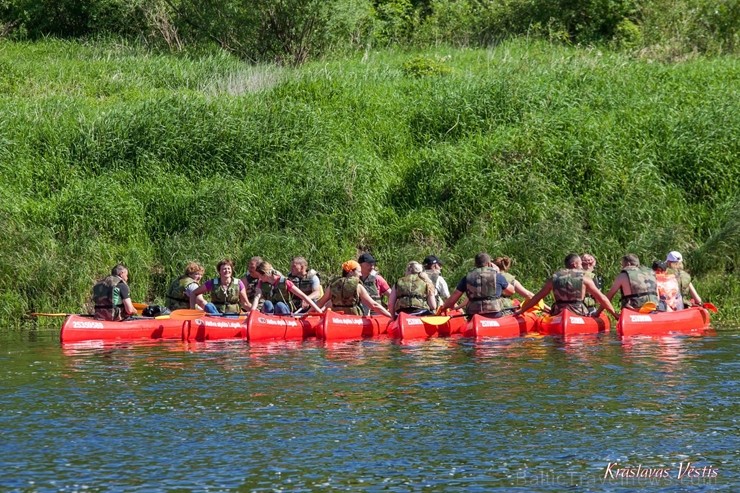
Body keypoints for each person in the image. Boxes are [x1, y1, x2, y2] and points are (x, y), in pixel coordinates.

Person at [517, 253, 618, 318]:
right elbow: (601, 298)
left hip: (558, 313)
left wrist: (522, 311)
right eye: (580, 264)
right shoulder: (584, 278)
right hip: (578, 312)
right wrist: (615, 314)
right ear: (574, 264)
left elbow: (537, 297)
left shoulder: (554, 277)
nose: (582, 267)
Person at [437, 252, 515, 319]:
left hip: (473, 315)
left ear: (475, 264)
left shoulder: (467, 277)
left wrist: (444, 308)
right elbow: (511, 291)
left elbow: (453, 298)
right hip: (494, 314)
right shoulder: (496, 276)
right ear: (489, 264)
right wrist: (498, 273)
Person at [314, 260, 391, 317]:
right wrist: (390, 316)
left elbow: (320, 303)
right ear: (351, 272)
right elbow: (374, 305)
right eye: (359, 272)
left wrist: (308, 314)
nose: (360, 274)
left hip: (336, 318)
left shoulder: (333, 285)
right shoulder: (358, 286)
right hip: (354, 319)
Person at [252, 261, 323, 315]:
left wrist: (319, 311)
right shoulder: (261, 282)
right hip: (272, 313)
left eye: (259, 276)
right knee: (267, 303)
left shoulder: (284, 282)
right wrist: (253, 311)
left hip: (284, 309)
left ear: (265, 275)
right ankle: (269, 322)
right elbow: (257, 297)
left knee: (279, 305)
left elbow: (303, 296)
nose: (259, 278)